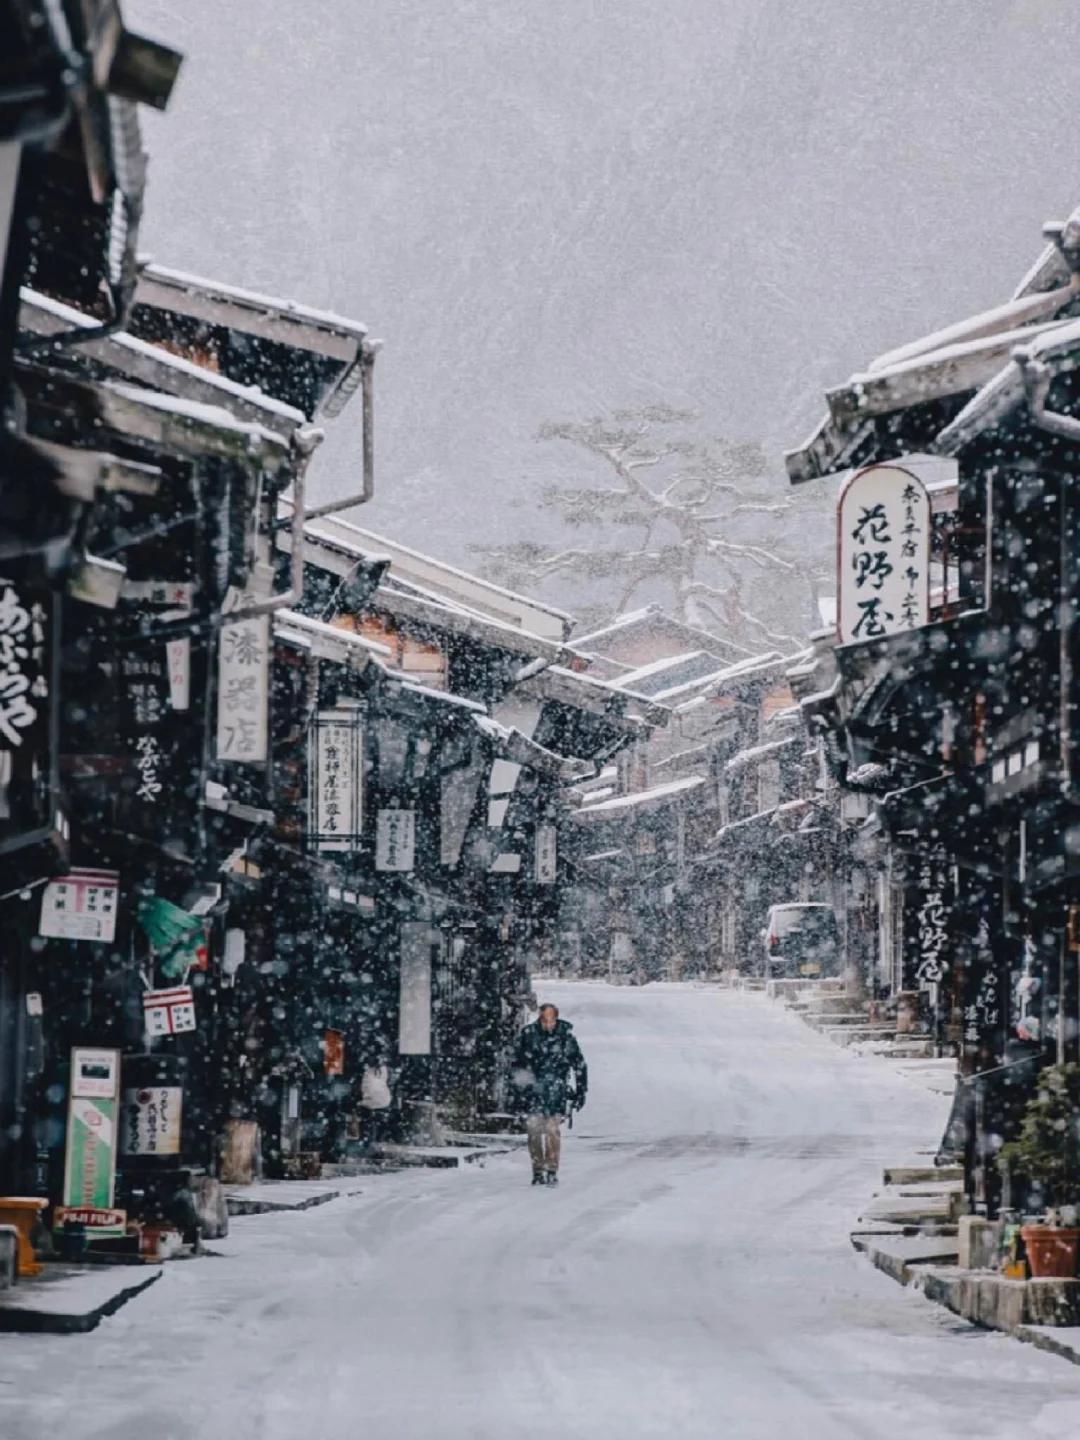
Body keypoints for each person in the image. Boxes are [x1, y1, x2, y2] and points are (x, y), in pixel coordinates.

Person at [509, 1003, 587, 1186]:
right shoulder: (528, 1036)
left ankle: (551, 1169)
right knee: (534, 1131)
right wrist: (516, 1092)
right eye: (545, 1019)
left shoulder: (566, 1039)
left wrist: (581, 1090)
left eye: (551, 1019)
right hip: (533, 1091)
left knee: (552, 1130)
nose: (548, 1023)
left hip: (556, 1091)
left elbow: (579, 1065)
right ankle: (537, 1170)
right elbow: (516, 1066)